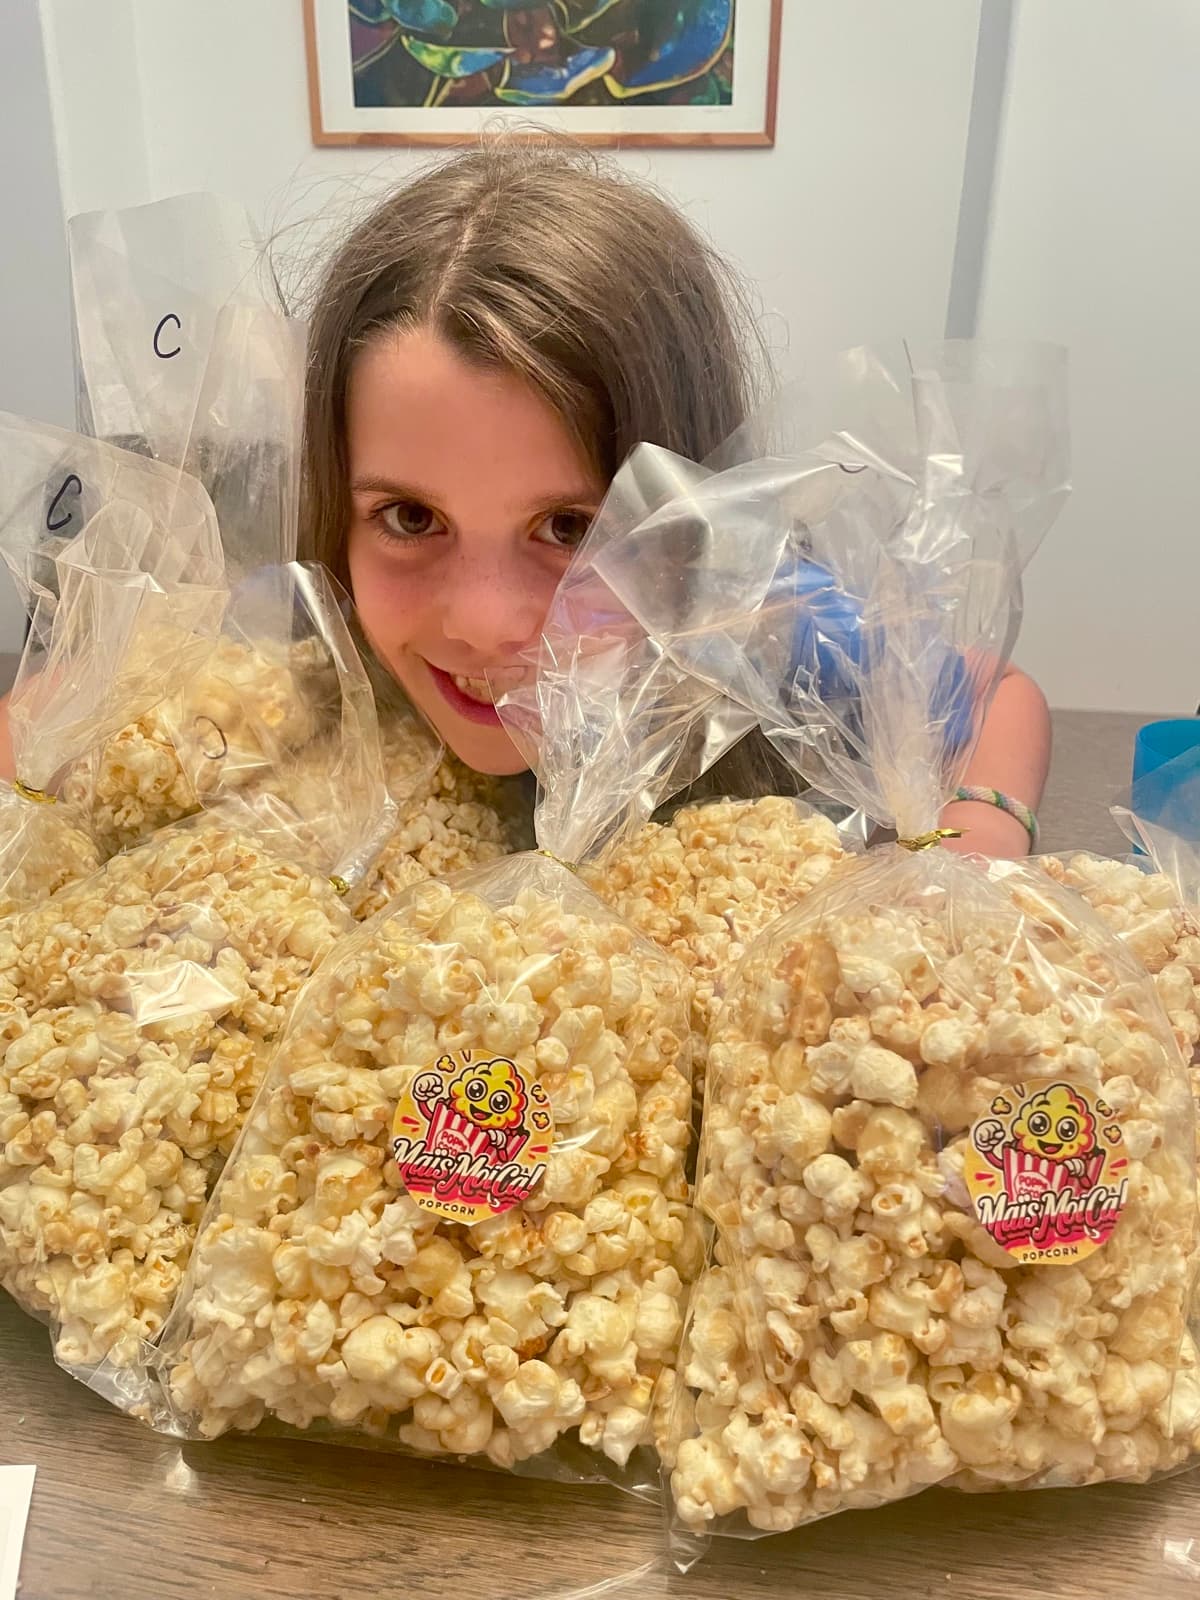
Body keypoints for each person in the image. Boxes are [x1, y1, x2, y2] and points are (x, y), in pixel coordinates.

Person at [0, 141, 1050, 856]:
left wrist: (984, 826)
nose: (487, 622)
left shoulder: (757, 621)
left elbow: (1000, 697)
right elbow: (82, 705)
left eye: (571, 528)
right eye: (409, 518)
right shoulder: (301, 631)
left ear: (685, 517)